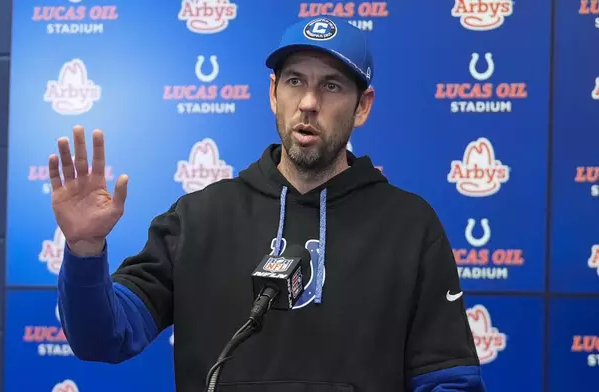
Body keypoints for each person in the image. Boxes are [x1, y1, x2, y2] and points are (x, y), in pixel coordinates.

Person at [53, 16, 486, 391]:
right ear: (273, 93)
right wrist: (85, 252)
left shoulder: (410, 227)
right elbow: (103, 338)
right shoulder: (197, 218)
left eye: (332, 86)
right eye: (295, 81)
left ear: (362, 107)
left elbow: (449, 380)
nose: (310, 103)